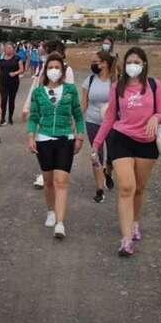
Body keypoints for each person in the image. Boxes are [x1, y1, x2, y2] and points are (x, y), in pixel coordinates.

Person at [93, 47, 161, 257]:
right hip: (121, 139)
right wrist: (97, 143)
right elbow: (109, 118)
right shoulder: (117, 87)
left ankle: (135, 223)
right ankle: (126, 240)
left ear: (143, 64)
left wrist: (156, 118)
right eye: (129, 62)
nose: (132, 65)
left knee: (139, 188)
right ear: (124, 65)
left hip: (146, 142)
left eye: (137, 61)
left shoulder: (154, 85)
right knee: (126, 187)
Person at [27, 53, 85, 238]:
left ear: (62, 70)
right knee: (49, 182)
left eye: (57, 67)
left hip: (65, 139)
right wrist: (30, 136)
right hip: (43, 140)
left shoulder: (70, 90)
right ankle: (51, 211)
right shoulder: (38, 92)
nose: (54, 70)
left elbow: (77, 114)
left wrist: (80, 136)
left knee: (62, 181)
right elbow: (34, 116)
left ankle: (60, 223)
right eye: (50, 67)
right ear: (46, 70)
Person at [23, 40, 75, 189]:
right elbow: (36, 87)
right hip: (44, 110)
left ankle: (53, 174)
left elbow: (69, 92)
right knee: (43, 143)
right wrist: (28, 107)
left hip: (59, 112)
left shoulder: (67, 70)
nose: (40, 50)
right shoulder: (44, 67)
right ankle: (45, 173)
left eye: (43, 49)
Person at [82, 51, 117, 203]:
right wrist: (75, 120)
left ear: (104, 63)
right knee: (96, 154)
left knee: (112, 155)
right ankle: (99, 189)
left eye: (96, 61)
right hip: (92, 121)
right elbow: (84, 103)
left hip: (113, 124)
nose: (93, 64)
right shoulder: (89, 81)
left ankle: (108, 172)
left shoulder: (116, 81)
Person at [0, 42, 25, 126]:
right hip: (3, 83)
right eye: (7, 48)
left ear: (13, 49)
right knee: (3, 100)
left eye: (10, 48)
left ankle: (10, 118)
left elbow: (22, 69)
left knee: (11, 100)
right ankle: (2, 119)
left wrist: (15, 73)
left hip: (14, 83)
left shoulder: (17, 58)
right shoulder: (1, 58)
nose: (8, 49)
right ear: (4, 49)